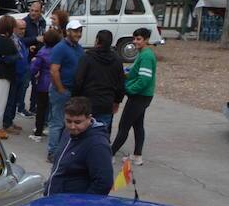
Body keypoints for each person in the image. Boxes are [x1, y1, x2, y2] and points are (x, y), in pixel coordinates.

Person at [46, 97, 114, 195]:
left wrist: (82, 205)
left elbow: (104, 183)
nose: (72, 126)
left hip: (70, 205)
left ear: (89, 118)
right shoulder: (68, 132)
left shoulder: (97, 145)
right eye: (68, 121)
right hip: (55, 199)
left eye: (78, 122)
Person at [111, 28, 156, 165]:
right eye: (134, 38)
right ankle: (137, 155)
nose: (135, 41)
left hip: (139, 96)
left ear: (146, 40)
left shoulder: (147, 56)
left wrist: (128, 89)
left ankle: (110, 154)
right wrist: (125, 73)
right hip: (142, 96)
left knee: (124, 125)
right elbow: (135, 71)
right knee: (138, 125)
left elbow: (144, 79)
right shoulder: (143, 54)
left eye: (139, 39)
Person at [45, 19, 84, 159]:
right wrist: (60, 89)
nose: (78, 34)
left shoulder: (79, 48)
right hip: (61, 91)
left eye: (79, 31)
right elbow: (54, 71)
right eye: (75, 31)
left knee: (67, 123)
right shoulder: (60, 48)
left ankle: (62, 150)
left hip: (72, 91)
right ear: (68, 32)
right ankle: (53, 152)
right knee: (57, 122)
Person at [72, 29, 126, 130]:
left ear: (97, 41)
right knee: (102, 133)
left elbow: (78, 80)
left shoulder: (87, 58)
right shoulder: (117, 60)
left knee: (84, 132)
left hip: (87, 102)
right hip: (106, 103)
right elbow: (120, 83)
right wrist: (117, 101)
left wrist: (75, 97)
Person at [28, 28, 60, 140]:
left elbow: (34, 69)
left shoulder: (42, 52)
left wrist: (32, 68)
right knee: (54, 109)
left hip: (43, 83)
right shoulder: (60, 51)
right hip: (57, 83)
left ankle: (38, 132)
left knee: (41, 109)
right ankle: (53, 129)